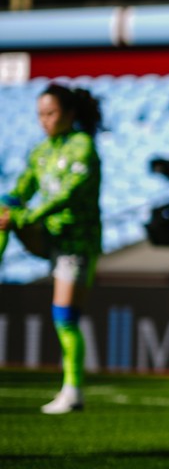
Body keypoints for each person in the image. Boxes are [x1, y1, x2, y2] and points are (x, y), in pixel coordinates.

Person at [0, 84, 102, 414]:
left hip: (77, 241)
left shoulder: (82, 146)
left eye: (51, 113)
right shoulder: (40, 151)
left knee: (64, 315)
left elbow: (69, 194)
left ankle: (73, 390)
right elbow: (20, 190)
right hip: (48, 237)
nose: (44, 121)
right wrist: (7, 204)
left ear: (69, 114)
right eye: (40, 115)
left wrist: (27, 214)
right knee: (5, 215)